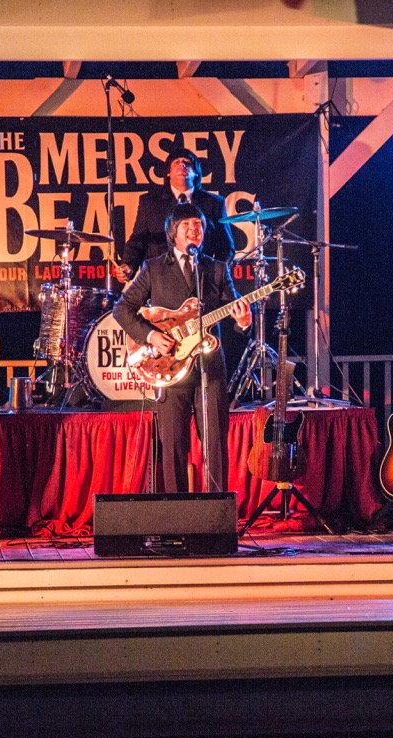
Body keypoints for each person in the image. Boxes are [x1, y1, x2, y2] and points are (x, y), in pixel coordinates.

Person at [112, 203, 252, 493]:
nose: (194, 230)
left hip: (209, 369)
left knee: (215, 443)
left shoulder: (216, 268)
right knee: (174, 444)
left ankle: (216, 510)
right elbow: (122, 310)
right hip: (169, 367)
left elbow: (234, 307)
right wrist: (151, 336)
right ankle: (176, 511)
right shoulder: (154, 268)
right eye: (187, 225)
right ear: (172, 233)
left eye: (199, 225)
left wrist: (243, 322)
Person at [114, 147, 234, 285]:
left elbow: (226, 247)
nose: (182, 165)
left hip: (200, 280)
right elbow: (138, 241)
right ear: (168, 172)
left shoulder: (214, 203)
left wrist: (215, 276)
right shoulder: (150, 202)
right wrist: (129, 265)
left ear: (196, 173)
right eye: (176, 162)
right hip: (160, 280)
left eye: (187, 163)